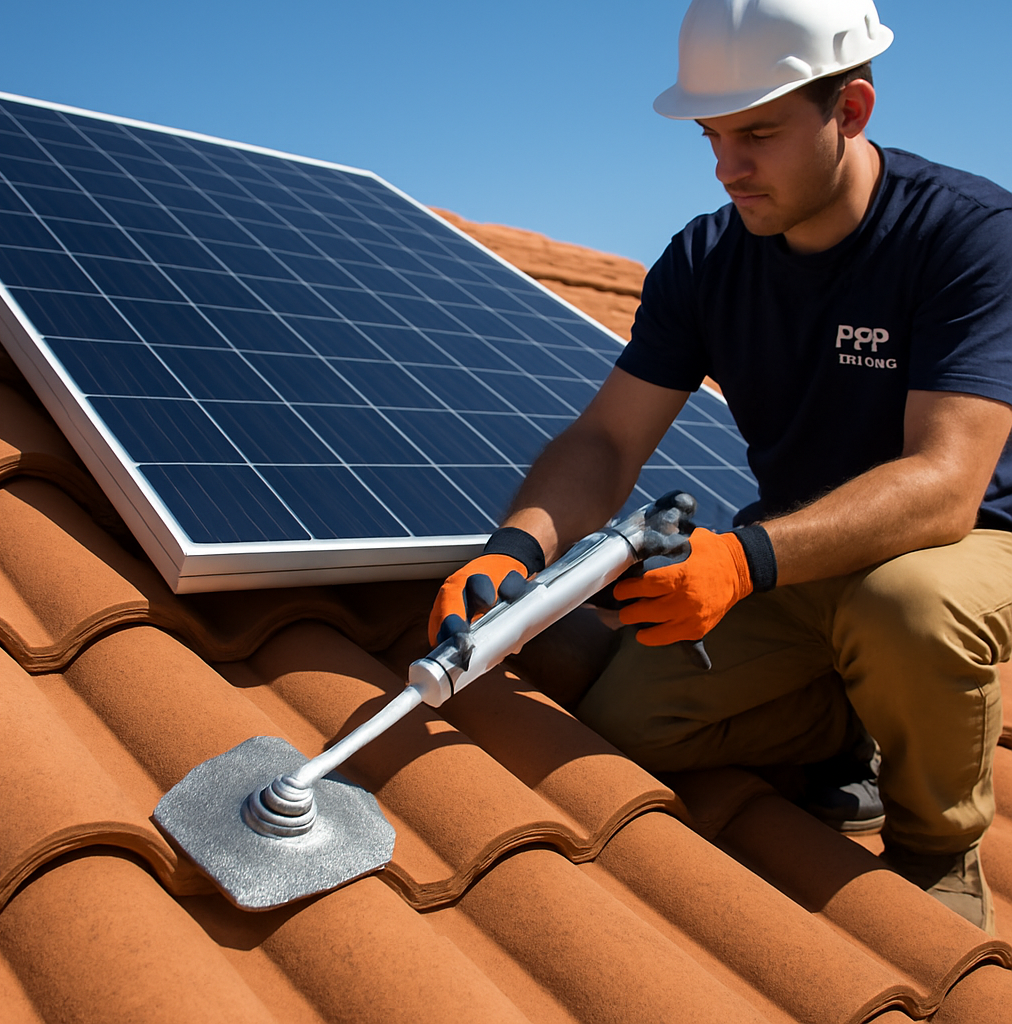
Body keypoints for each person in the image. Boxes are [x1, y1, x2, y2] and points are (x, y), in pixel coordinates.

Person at [429, 0, 1012, 933]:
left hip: (960, 546)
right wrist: (516, 547)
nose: (726, 168)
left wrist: (740, 562)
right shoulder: (706, 260)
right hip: (798, 555)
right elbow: (608, 440)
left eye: (759, 134)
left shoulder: (969, 236)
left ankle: (937, 845)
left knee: (907, 609)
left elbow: (946, 483)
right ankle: (843, 721)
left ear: (851, 111)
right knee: (627, 726)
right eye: (711, 136)